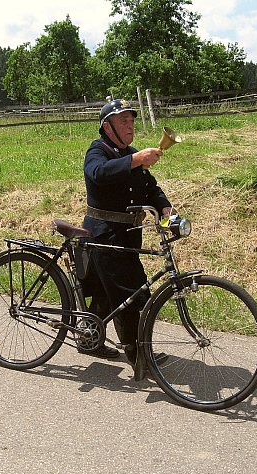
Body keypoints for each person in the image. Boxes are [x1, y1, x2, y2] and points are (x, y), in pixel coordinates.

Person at [79, 98, 174, 375]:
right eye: (124, 120)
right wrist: (135, 160)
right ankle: (139, 358)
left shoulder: (131, 153)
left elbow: (151, 189)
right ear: (107, 126)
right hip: (104, 235)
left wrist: (167, 212)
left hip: (128, 235)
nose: (130, 125)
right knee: (132, 297)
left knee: (105, 296)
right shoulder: (98, 150)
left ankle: (89, 340)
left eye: (132, 120)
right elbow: (97, 174)